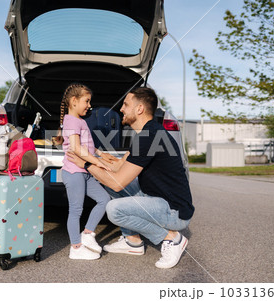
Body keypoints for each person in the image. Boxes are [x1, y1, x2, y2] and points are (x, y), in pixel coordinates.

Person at [67, 87, 195, 268]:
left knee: (114, 209)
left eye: (126, 104)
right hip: (158, 199)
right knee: (108, 184)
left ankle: (172, 239)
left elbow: (118, 183)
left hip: (174, 211)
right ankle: (132, 242)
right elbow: (118, 166)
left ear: (139, 109)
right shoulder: (148, 132)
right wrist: (97, 158)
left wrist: (86, 165)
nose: (121, 109)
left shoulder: (149, 136)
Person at [55, 83, 117, 260]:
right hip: (74, 172)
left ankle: (88, 234)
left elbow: (86, 144)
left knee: (104, 199)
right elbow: (75, 148)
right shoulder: (72, 120)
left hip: (84, 172)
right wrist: (98, 163)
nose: (89, 105)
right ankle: (76, 247)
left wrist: (100, 154)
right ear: (74, 101)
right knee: (76, 209)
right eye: (86, 101)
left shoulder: (80, 121)